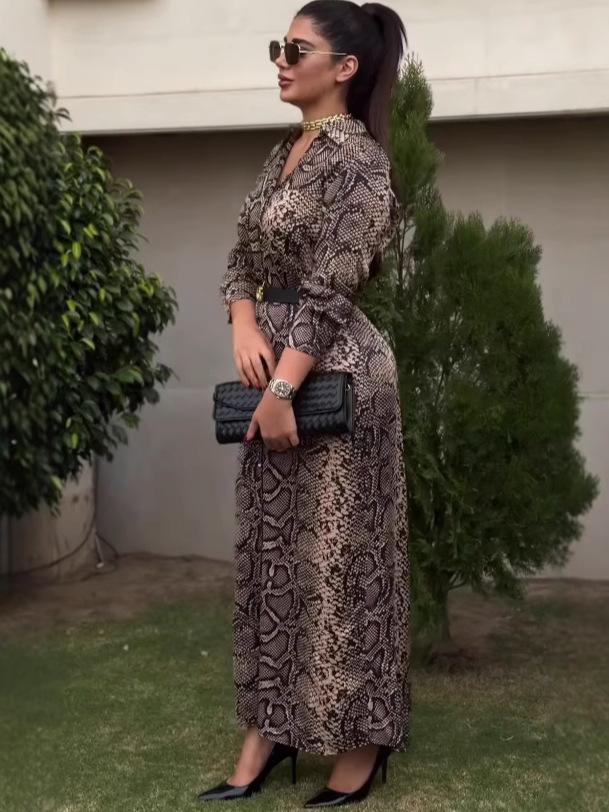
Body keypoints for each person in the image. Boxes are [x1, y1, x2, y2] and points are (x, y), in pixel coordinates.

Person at [198, 1, 411, 806]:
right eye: (277, 48)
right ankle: (271, 728)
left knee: (341, 563)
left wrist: (284, 387)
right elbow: (238, 256)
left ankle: (361, 739)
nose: (281, 62)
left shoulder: (361, 163)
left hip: (338, 379)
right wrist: (242, 320)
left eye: (297, 49)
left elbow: (333, 287)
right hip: (273, 372)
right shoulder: (282, 152)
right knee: (273, 561)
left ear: (345, 68)